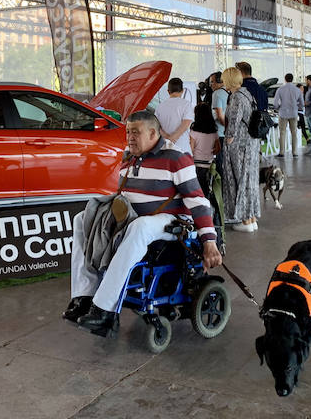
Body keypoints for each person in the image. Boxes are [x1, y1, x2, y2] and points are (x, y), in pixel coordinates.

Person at [63, 111, 221, 336]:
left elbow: (198, 201)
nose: (130, 137)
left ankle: (104, 310)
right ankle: (83, 297)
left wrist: (209, 241)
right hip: (134, 218)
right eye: (128, 132)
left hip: (173, 222)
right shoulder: (129, 156)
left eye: (135, 132)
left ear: (153, 133)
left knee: (140, 227)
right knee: (82, 219)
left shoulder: (176, 158)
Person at [222, 66, 260, 233]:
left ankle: (245, 221)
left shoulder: (236, 97)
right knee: (249, 181)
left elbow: (234, 121)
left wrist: (229, 138)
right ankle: (251, 219)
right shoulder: (247, 94)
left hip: (240, 146)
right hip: (251, 144)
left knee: (240, 180)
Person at [155, 77, 194, 154]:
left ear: (168, 91)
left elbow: (156, 126)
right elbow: (185, 124)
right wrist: (173, 138)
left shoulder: (160, 106)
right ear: (182, 91)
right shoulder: (186, 104)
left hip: (164, 147)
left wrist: (168, 138)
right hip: (182, 147)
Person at [189, 103, 220, 198]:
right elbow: (218, 149)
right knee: (206, 188)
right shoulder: (214, 132)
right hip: (209, 164)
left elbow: (191, 149)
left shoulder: (194, 132)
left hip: (196, 164)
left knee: (197, 189)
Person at [273, 73, 304, 157]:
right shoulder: (297, 90)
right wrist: (298, 107)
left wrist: (278, 107)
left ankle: (282, 152)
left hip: (283, 113)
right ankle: (295, 152)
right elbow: (302, 103)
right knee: (294, 132)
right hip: (294, 113)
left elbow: (275, 103)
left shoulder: (280, 89)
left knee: (282, 132)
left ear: (285, 79)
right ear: (292, 79)